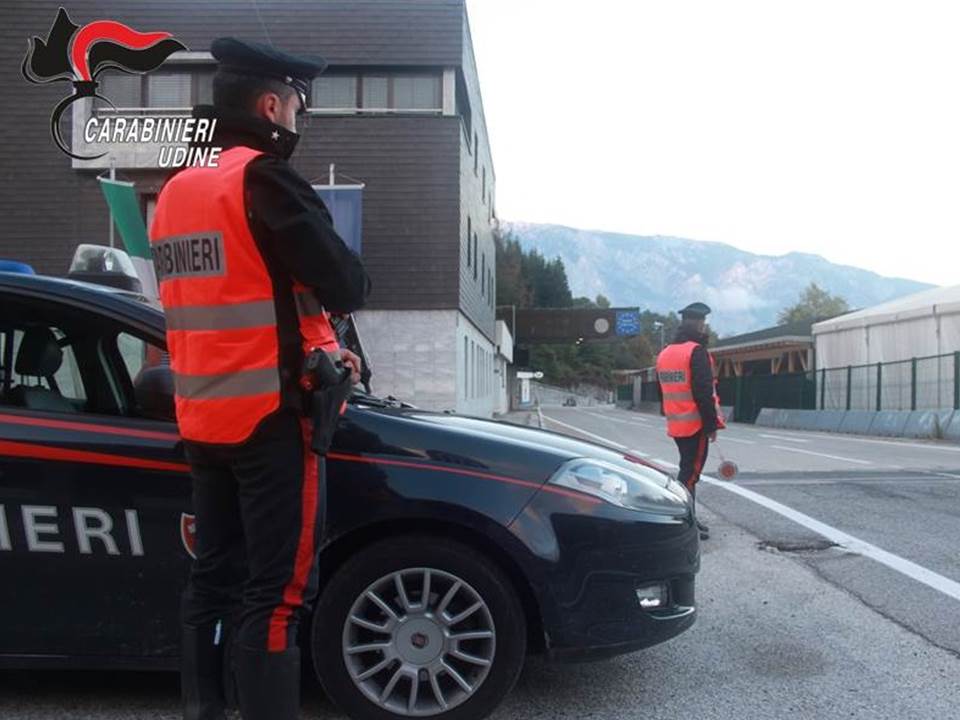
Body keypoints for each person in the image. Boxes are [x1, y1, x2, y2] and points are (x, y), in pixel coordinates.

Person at [149, 38, 370, 720]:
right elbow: (346, 282)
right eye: (298, 108)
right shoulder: (263, 181)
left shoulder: (175, 193)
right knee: (276, 595)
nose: (299, 123)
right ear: (271, 106)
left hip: (203, 421)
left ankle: (205, 710)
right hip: (271, 422)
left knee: (210, 579)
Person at [655, 302, 725, 540]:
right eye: (704, 324)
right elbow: (703, 391)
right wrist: (711, 424)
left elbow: (661, 390)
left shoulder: (665, 353)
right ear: (699, 324)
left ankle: (689, 519)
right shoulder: (696, 352)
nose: (705, 328)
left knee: (687, 471)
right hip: (695, 425)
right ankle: (684, 523)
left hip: (676, 424)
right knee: (690, 476)